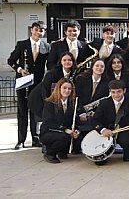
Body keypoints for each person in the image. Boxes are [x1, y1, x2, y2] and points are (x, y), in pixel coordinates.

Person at [8, 21, 50, 149]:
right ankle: (21, 140)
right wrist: (20, 69)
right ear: (31, 30)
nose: (39, 32)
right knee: (22, 110)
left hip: (37, 83)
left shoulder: (46, 46)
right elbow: (11, 60)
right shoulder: (22, 44)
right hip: (23, 81)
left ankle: (35, 138)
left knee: (35, 110)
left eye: (42, 30)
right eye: (37, 29)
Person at [92, 80, 129, 165]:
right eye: (113, 92)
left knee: (126, 141)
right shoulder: (104, 103)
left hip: (124, 129)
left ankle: (127, 151)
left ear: (124, 91)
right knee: (100, 163)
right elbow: (95, 120)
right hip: (107, 130)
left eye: (119, 92)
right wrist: (103, 130)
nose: (116, 95)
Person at [39, 78, 82, 163]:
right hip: (49, 132)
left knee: (77, 140)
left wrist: (76, 130)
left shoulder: (72, 104)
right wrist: (65, 130)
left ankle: (61, 151)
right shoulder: (50, 103)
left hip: (62, 131)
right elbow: (48, 123)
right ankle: (50, 153)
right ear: (59, 89)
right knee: (64, 137)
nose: (67, 91)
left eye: (69, 89)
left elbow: (73, 121)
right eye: (64, 88)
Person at [28, 51, 76, 121]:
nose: (67, 62)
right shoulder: (52, 73)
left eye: (69, 60)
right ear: (61, 61)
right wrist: (48, 105)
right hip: (39, 99)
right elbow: (45, 90)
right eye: (64, 60)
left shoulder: (74, 73)